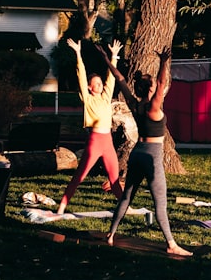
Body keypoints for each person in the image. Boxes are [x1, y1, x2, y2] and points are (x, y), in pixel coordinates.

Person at [97, 45, 192, 257]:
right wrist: (164, 61)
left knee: (126, 197)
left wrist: (106, 59)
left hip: (136, 153)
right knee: (160, 203)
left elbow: (120, 79)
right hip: (151, 156)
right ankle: (171, 243)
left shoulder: (134, 104)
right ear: (149, 89)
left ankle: (110, 235)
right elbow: (161, 83)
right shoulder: (153, 107)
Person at [56, 38, 125, 215]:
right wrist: (78, 54)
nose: (100, 85)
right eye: (96, 83)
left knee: (114, 178)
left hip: (107, 141)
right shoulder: (87, 99)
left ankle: (125, 206)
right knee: (80, 175)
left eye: (100, 83)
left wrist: (114, 56)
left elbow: (112, 78)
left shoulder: (106, 96)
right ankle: (62, 206)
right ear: (89, 87)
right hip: (95, 141)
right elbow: (81, 75)